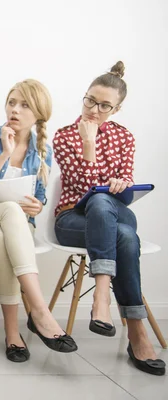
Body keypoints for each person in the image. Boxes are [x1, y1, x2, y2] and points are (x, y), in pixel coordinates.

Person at [53, 61, 165, 376]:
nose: (94, 109)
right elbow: (81, 188)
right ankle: (136, 333)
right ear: (84, 97)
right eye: (90, 100)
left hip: (113, 214)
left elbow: (125, 183)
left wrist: (121, 185)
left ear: (116, 109)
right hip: (72, 219)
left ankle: (102, 296)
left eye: (104, 105)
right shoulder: (64, 136)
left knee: (106, 203)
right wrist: (88, 142)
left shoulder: (125, 137)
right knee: (123, 232)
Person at [0, 79, 77, 362]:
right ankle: (40, 310)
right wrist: (5, 154)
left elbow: (40, 197)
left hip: (12, 230)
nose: (15, 110)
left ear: (38, 114)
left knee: (0, 235)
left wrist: (37, 206)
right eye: (12, 102)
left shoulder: (42, 150)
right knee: (10, 209)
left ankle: (12, 333)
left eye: (24, 105)